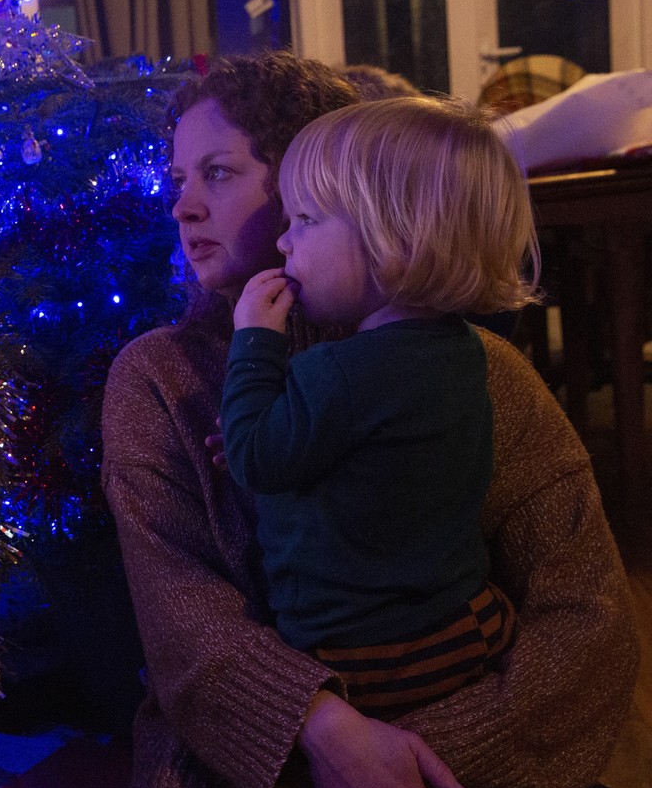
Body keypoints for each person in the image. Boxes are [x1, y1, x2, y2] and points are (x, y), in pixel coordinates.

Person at [101, 51, 642, 788]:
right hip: (238, 771)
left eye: (216, 172)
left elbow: (587, 612)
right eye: (176, 178)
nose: (182, 206)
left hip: (465, 751)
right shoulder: (158, 378)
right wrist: (327, 739)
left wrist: (412, 763)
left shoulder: (476, 368)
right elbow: (187, 631)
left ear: (317, 185)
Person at [219, 97, 539, 725]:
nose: (282, 239)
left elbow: (255, 459)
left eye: (305, 219)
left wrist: (254, 342)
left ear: (393, 239)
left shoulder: (336, 370)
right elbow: (361, 462)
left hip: (364, 659)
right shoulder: (465, 352)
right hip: (473, 622)